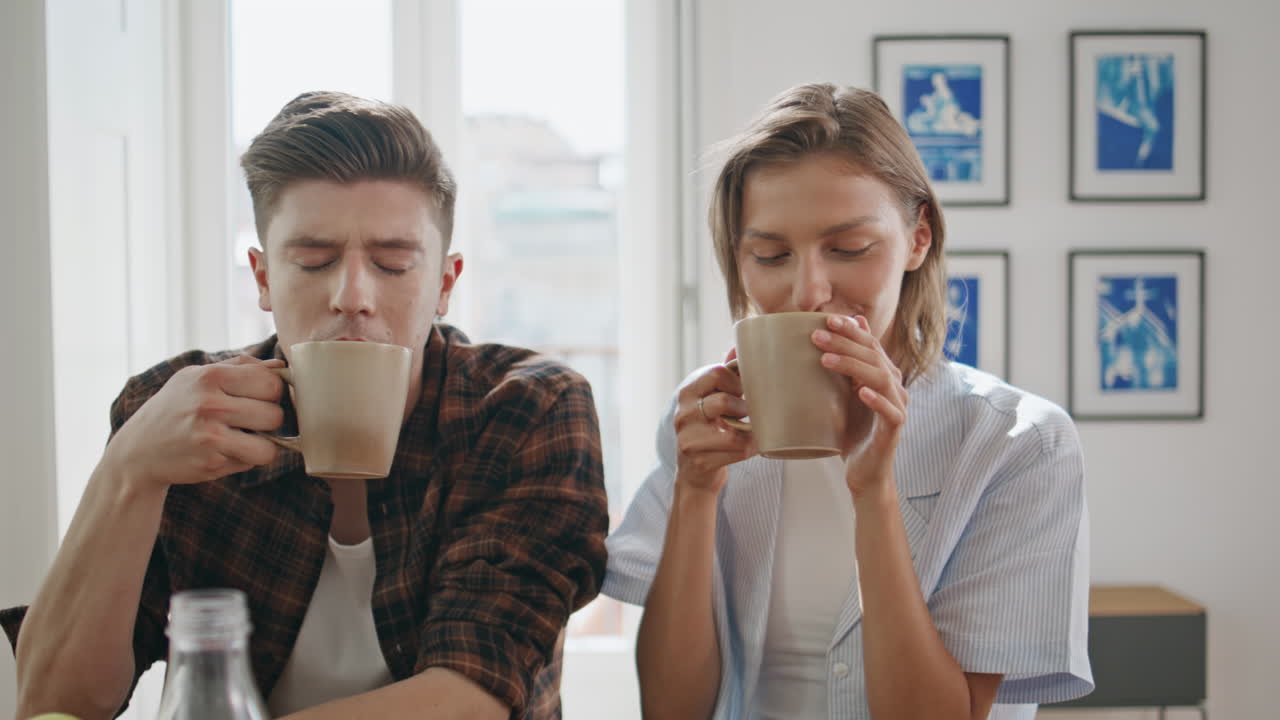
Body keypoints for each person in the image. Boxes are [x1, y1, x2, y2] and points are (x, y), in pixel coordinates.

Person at [4, 91, 609, 720]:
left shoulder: (526, 409)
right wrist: (128, 471)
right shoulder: (178, 413)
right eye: (315, 261)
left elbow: (471, 697)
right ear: (264, 279)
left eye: (393, 264)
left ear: (445, 284)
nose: (353, 296)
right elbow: (56, 703)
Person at [603, 83, 1093, 720]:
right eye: (770, 255)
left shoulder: (1017, 442)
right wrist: (696, 493)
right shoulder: (707, 421)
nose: (809, 290)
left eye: (849, 249)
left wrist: (873, 490)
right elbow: (671, 710)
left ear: (918, 238)